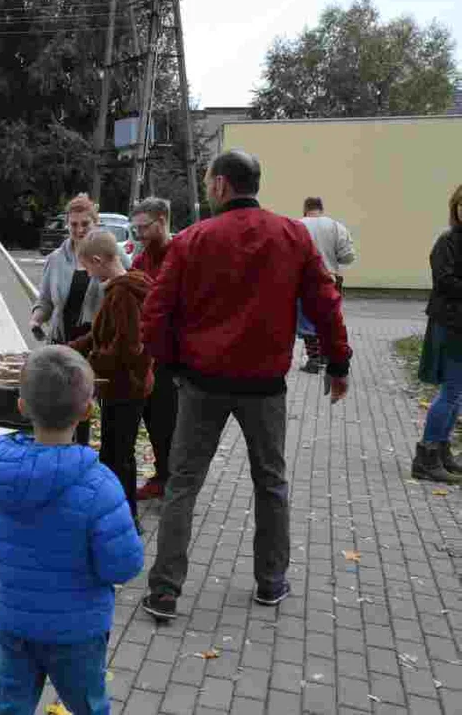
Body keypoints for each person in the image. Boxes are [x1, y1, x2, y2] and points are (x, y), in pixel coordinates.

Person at [139, 150, 351, 622]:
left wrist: (170, 363)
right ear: (255, 183)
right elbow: (326, 303)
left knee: (183, 485)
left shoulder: (193, 239)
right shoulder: (291, 235)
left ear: (218, 186)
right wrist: (338, 364)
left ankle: (165, 591)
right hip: (264, 386)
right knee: (270, 483)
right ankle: (271, 582)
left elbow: (155, 311)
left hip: (200, 383)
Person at [0, 345, 143, 715]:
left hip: (13, 623)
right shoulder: (101, 486)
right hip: (77, 630)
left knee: (6, 706)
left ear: (21, 406)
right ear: (87, 411)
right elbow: (123, 566)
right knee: (88, 705)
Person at [69, 229, 154, 532]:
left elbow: (126, 347)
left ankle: (124, 519)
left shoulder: (122, 293)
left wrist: (87, 364)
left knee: (117, 455)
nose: (88, 274)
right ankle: (119, 514)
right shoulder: (125, 286)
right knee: (115, 453)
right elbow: (102, 334)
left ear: (97, 260)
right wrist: (71, 349)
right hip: (124, 384)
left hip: (124, 386)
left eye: (88, 268)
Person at [30, 194, 106, 445]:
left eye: (85, 224)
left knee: (83, 409)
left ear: (95, 224)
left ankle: (81, 454)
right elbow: (45, 302)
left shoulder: (107, 254)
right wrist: (36, 320)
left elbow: (123, 287)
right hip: (62, 343)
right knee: (61, 407)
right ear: (67, 224)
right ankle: (61, 454)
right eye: (74, 224)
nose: (79, 229)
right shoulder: (55, 259)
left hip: (94, 345)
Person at [412, 184, 462, 484]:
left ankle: (442, 451)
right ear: (455, 208)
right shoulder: (447, 242)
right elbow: (444, 282)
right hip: (450, 325)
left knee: (457, 394)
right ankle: (426, 457)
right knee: (451, 391)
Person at [129, 197, 178, 501]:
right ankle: (163, 476)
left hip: (173, 355)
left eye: (144, 228)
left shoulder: (180, 255)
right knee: (152, 418)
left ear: (162, 220)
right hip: (147, 352)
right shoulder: (141, 259)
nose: (140, 235)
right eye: (135, 230)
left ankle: (172, 479)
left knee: (168, 419)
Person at [297, 196, 356, 373]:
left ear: (305, 209)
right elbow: (348, 256)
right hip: (330, 278)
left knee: (306, 319)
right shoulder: (336, 227)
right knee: (328, 318)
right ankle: (326, 355)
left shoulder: (297, 226)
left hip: (305, 280)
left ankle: (314, 360)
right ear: (321, 209)